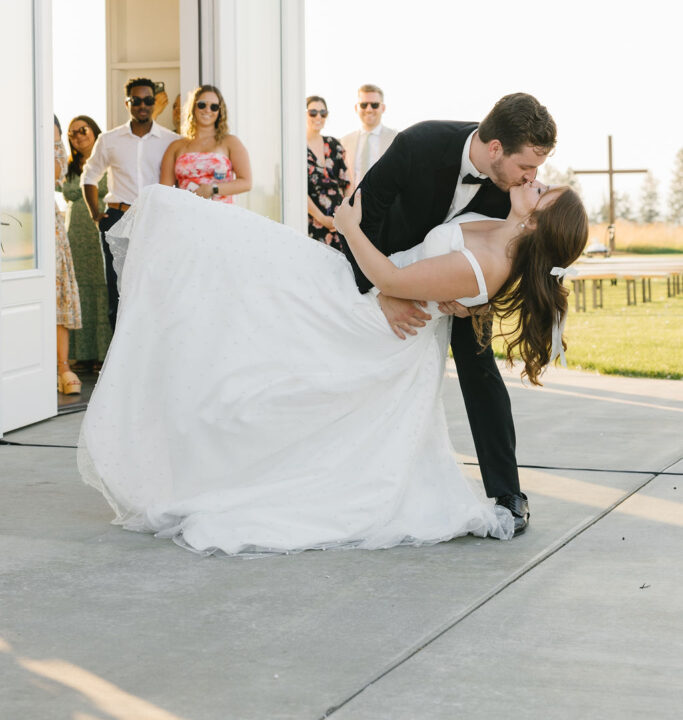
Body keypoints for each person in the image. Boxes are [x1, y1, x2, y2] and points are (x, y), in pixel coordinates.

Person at [78, 173, 587, 557]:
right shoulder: (499, 227)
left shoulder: (489, 264)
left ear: (538, 219)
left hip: (377, 321)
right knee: (234, 265)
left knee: (258, 315)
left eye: (544, 190)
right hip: (372, 298)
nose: (534, 180)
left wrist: (345, 225)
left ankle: (207, 451)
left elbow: (390, 276)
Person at [340, 92, 558, 536]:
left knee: (479, 365)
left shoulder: (513, 192)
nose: (532, 178)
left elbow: (510, 254)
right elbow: (360, 212)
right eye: (526, 166)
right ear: (495, 148)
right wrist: (382, 291)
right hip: (384, 267)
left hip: (458, 283)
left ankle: (507, 492)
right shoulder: (421, 143)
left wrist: (476, 297)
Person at [81, 79, 177, 329]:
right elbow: (89, 176)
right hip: (117, 218)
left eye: (148, 100)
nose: (142, 105)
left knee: (156, 288)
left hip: (156, 221)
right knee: (118, 292)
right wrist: (95, 214)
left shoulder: (171, 140)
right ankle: (118, 363)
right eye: (136, 100)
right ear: (128, 103)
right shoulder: (109, 139)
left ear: (155, 103)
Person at [63, 116, 112, 370]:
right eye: (72, 134)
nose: (78, 136)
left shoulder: (106, 159)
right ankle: (83, 355)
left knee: (102, 289)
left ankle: (103, 355)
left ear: (94, 132)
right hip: (75, 235)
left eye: (82, 130)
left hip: (99, 230)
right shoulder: (69, 166)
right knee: (81, 291)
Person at [160, 85, 252, 203]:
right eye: (202, 104)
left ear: (220, 111)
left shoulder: (230, 142)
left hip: (221, 215)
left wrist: (212, 188)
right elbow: (164, 191)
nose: (207, 110)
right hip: (186, 214)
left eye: (214, 107)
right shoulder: (176, 147)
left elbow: (246, 182)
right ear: (193, 107)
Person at [54, 117, 82, 395]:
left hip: (53, 227)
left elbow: (54, 174)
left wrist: (51, 140)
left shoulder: (56, 149)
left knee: (59, 292)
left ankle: (63, 366)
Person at [306, 96, 350, 252]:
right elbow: (298, 191)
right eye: (313, 112)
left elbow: (347, 184)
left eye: (323, 113)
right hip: (312, 221)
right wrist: (322, 219)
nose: (318, 117)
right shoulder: (297, 147)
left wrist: (345, 215)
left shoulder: (334, 144)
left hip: (339, 220)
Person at [341, 84, 398, 189]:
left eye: (374, 105)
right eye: (363, 105)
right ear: (356, 108)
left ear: (383, 108)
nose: (369, 109)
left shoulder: (396, 139)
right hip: (352, 202)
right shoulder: (344, 142)